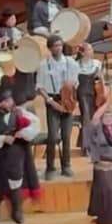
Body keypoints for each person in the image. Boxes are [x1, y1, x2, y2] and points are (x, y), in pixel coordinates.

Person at [0, 88, 40, 224]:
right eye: (7, 101)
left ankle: (17, 211)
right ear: (0, 104)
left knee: (16, 180)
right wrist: (2, 139)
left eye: (11, 99)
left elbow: (34, 127)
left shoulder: (19, 113)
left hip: (15, 154)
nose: (11, 102)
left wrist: (23, 133)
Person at [36, 34, 79, 179]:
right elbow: (40, 87)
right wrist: (50, 101)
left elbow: (75, 82)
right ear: (50, 48)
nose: (58, 48)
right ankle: (50, 167)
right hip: (52, 99)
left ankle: (66, 166)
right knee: (53, 136)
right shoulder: (43, 65)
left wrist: (69, 96)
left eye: (60, 45)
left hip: (67, 99)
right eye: (55, 46)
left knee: (66, 136)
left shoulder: (71, 62)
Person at [76, 43, 105, 151]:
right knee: (86, 118)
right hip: (82, 93)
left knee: (96, 117)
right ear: (82, 52)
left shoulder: (97, 63)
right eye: (89, 50)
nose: (91, 51)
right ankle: (86, 145)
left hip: (95, 92)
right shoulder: (76, 65)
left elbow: (100, 80)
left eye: (91, 49)